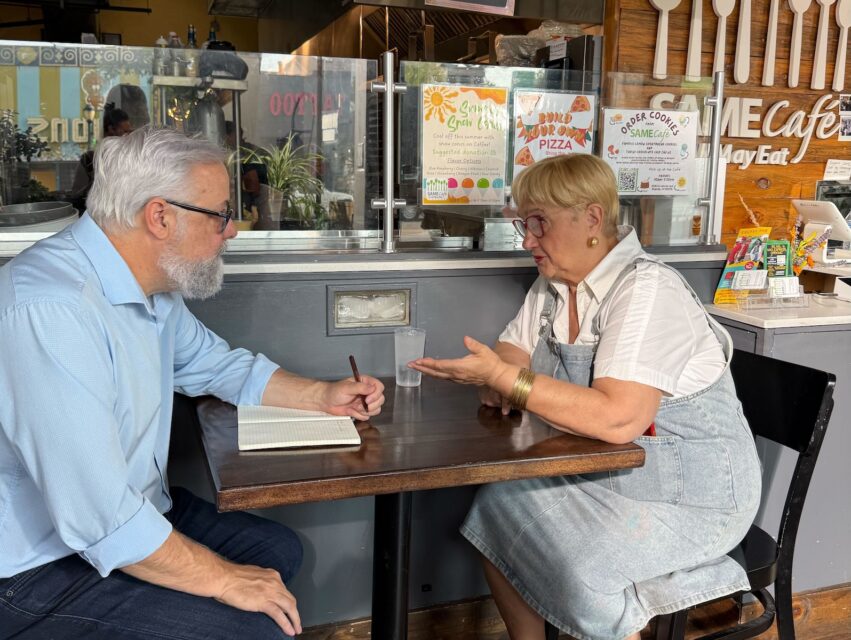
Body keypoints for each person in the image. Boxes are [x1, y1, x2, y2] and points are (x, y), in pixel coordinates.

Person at [0, 126, 385, 640]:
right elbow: (99, 516)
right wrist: (223, 580)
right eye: (221, 214)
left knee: (277, 552)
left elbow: (216, 365)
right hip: (38, 566)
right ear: (160, 216)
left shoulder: (151, 284)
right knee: (253, 628)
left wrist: (323, 395)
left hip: (129, 514)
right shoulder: (50, 308)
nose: (231, 231)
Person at [410, 154, 761, 640]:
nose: (528, 239)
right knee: (497, 507)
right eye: (523, 224)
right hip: (606, 473)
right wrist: (500, 376)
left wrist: (507, 380)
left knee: (576, 567)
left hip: (694, 497)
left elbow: (619, 421)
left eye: (538, 223)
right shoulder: (555, 283)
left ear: (592, 218)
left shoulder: (646, 289)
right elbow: (512, 354)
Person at [69, 102, 132, 212]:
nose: (128, 136)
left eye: (129, 132)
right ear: (111, 129)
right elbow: (76, 196)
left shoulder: (130, 156)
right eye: (125, 131)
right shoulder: (89, 159)